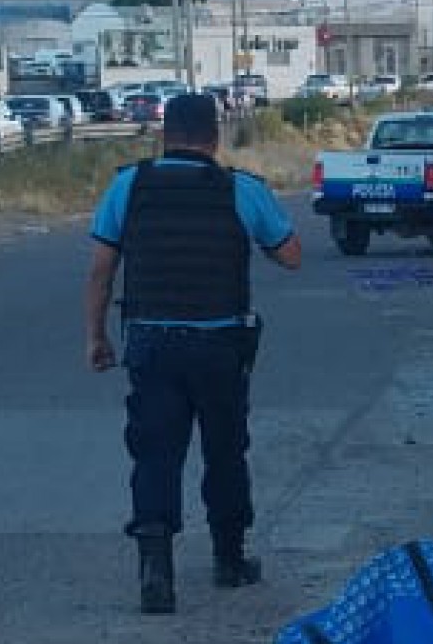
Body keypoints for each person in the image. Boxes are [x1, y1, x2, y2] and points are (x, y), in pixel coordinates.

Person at [83, 93, 304, 615]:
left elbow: (100, 270)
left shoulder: (128, 185)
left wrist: (96, 337)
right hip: (220, 343)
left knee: (155, 452)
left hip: (152, 343)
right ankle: (229, 559)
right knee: (225, 451)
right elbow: (291, 256)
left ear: (164, 133)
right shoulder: (240, 190)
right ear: (215, 136)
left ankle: (155, 569)